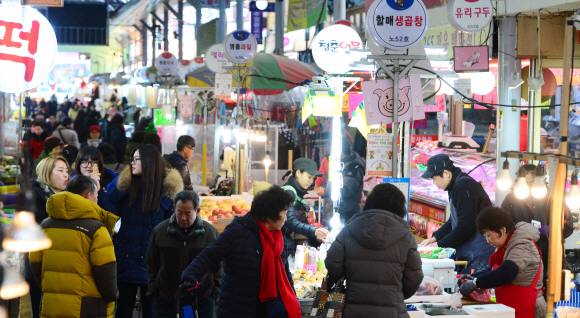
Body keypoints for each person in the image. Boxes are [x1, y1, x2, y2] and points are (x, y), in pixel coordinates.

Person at [181, 186, 301, 318]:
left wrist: (293, 300)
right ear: (270, 215)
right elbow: (209, 255)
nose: (286, 218)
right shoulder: (238, 231)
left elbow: (285, 272)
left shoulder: (278, 237)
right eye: (284, 213)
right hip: (238, 307)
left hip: (269, 308)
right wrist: (190, 275)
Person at [107, 145, 183, 318]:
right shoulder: (125, 187)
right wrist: (118, 184)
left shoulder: (167, 191)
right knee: (124, 309)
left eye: (136, 159)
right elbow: (108, 206)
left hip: (153, 263)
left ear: (149, 162)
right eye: (131, 160)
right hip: (126, 257)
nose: (132, 163)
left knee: (152, 311)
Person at [325, 183, 423, 317]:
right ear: (400, 207)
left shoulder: (349, 229)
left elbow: (333, 264)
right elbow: (414, 278)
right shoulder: (405, 235)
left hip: (354, 312)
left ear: (370, 203)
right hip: (393, 312)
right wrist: (395, 292)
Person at [29, 176, 119, 318]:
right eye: (96, 195)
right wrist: (112, 296)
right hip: (89, 307)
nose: (98, 199)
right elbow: (105, 270)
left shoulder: (45, 225)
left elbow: (34, 263)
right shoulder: (96, 229)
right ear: (87, 196)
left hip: (52, 305)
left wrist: (50, 289)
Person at [459, 206, 547, 318]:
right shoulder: (505, 245)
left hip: (527, 308)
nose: (488, 241)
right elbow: (493, 269)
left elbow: (507, 273)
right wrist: (472, 277)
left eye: (488, 235)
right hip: (510, 307)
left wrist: (475, 283)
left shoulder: (523, 245)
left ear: (502, 230)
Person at [146, 191, 221, 318]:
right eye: (179, 212)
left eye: (188, 213)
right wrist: (155, 293)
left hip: (201, 303)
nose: (183, 218)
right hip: (166, 302)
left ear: (197, 211)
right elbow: (152, 264)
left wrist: (213, 295)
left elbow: (218, 267)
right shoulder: (160, 231)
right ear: (174, 208)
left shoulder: (210, 234)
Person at [421, 154, 495, 274]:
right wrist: (435, 237)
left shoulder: (463, 186)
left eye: (435, 178)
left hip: (479, 252)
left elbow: (465, 226)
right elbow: (454, 221)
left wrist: (440, 244)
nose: (434, 182)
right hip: (470, 249)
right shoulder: (454, 186)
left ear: (446, 173)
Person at [501, 164, 573, 279]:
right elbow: (503, 226)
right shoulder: (511, 199)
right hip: (520, 257)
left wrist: (551, 230)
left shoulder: (553, 196)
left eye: (533, 182)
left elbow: (568, 223)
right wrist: (524, 231)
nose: (529, 186)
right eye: (526, 182)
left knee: (545, 289)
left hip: (548, 256)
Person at [28, 156, 71, 318]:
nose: (65, 175)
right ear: (47, 172)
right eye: (60, 170)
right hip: (41, 267)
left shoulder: (69, 197)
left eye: (67, 171)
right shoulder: (34, 196)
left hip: (64, 266)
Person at [281, 158, 329, 254]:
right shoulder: (289, 192)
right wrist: (314, 231)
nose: (311, 181)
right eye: (309, 176)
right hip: (279, 243)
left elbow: (303, 221)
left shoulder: (297, 193)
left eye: (313, 178)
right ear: (298, 173)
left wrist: (316, 236)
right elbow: (289, 221)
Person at [327, 135, 365, 223]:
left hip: (346, 214)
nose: (331, 153)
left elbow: (345, 191)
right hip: (338, 213)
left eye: (332, 150)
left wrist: (325, 191)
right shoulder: (340, 165)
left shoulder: (352, 167)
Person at [73, 146, 118, 213]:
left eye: (94, 162)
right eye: (85, 162)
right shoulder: (72, 183)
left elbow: (112, 213)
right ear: (78, 164)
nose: (89, 165)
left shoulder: (110, 182)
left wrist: (99, 190)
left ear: (99, 164)